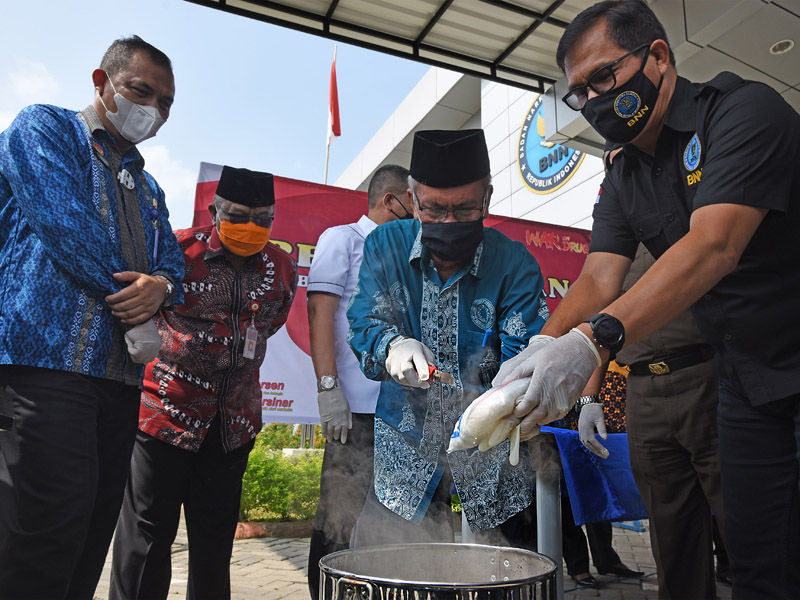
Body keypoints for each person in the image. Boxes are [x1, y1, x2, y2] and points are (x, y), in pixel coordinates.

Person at [497, 1, 800, 597]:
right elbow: (597, 280)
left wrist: (595, 340)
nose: (593, 101)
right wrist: (542, 349)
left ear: (657, 57)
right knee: (760, 564)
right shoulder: (624, 174)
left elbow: (714, 246)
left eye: (603, 78)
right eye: (579, 93)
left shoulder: (741, 114)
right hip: (744, 385)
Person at [0, 35, 184, 600]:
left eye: (165, 103)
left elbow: (172, 261)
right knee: (43, 532)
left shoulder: (149, 188)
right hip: (46, 366)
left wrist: (163, 285)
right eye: (139, 91)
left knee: (89, 535)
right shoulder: (45, 129)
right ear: (102, 82)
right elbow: (67, 228)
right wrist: (141, 292)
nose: (151, 109)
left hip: (120, 379)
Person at [346, 129, 550, 549]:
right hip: (405, 455)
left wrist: (504, 398)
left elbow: (528, 356)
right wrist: (391, 347)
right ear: (413, 198)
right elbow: (364, 321)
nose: (448, 222)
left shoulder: (513, 263)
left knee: (501, 576)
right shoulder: (386, 245)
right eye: (434, 209)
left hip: (492, 459)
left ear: (487, 199)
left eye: (464, 209)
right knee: (390, 571)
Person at [109, 166, 298, 600]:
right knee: (147, 536)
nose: (250, 226)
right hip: (166, 415)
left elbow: (271, 323)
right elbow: (139, 304)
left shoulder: (282, 265)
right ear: (214, 211)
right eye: (237, 215)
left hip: (234, 424)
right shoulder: (177, 251)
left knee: (215, 541)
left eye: (262, 219)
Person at [579, 243, 726, 599]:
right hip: (642, 387)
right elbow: (601, 321)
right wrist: (589, 399)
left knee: (747, 516)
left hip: (710, 374)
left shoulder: (699, 208)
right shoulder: (616, 241)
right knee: (670, 528)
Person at [306, 164, 413, 598]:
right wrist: (329, 389)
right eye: (414, 200)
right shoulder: (344, 239)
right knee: (339, 515)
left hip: (404, 409)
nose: (419, 210)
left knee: (396, 515)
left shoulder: (411, 251)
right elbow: (321, 313)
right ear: (391, 200)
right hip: (358, 410)